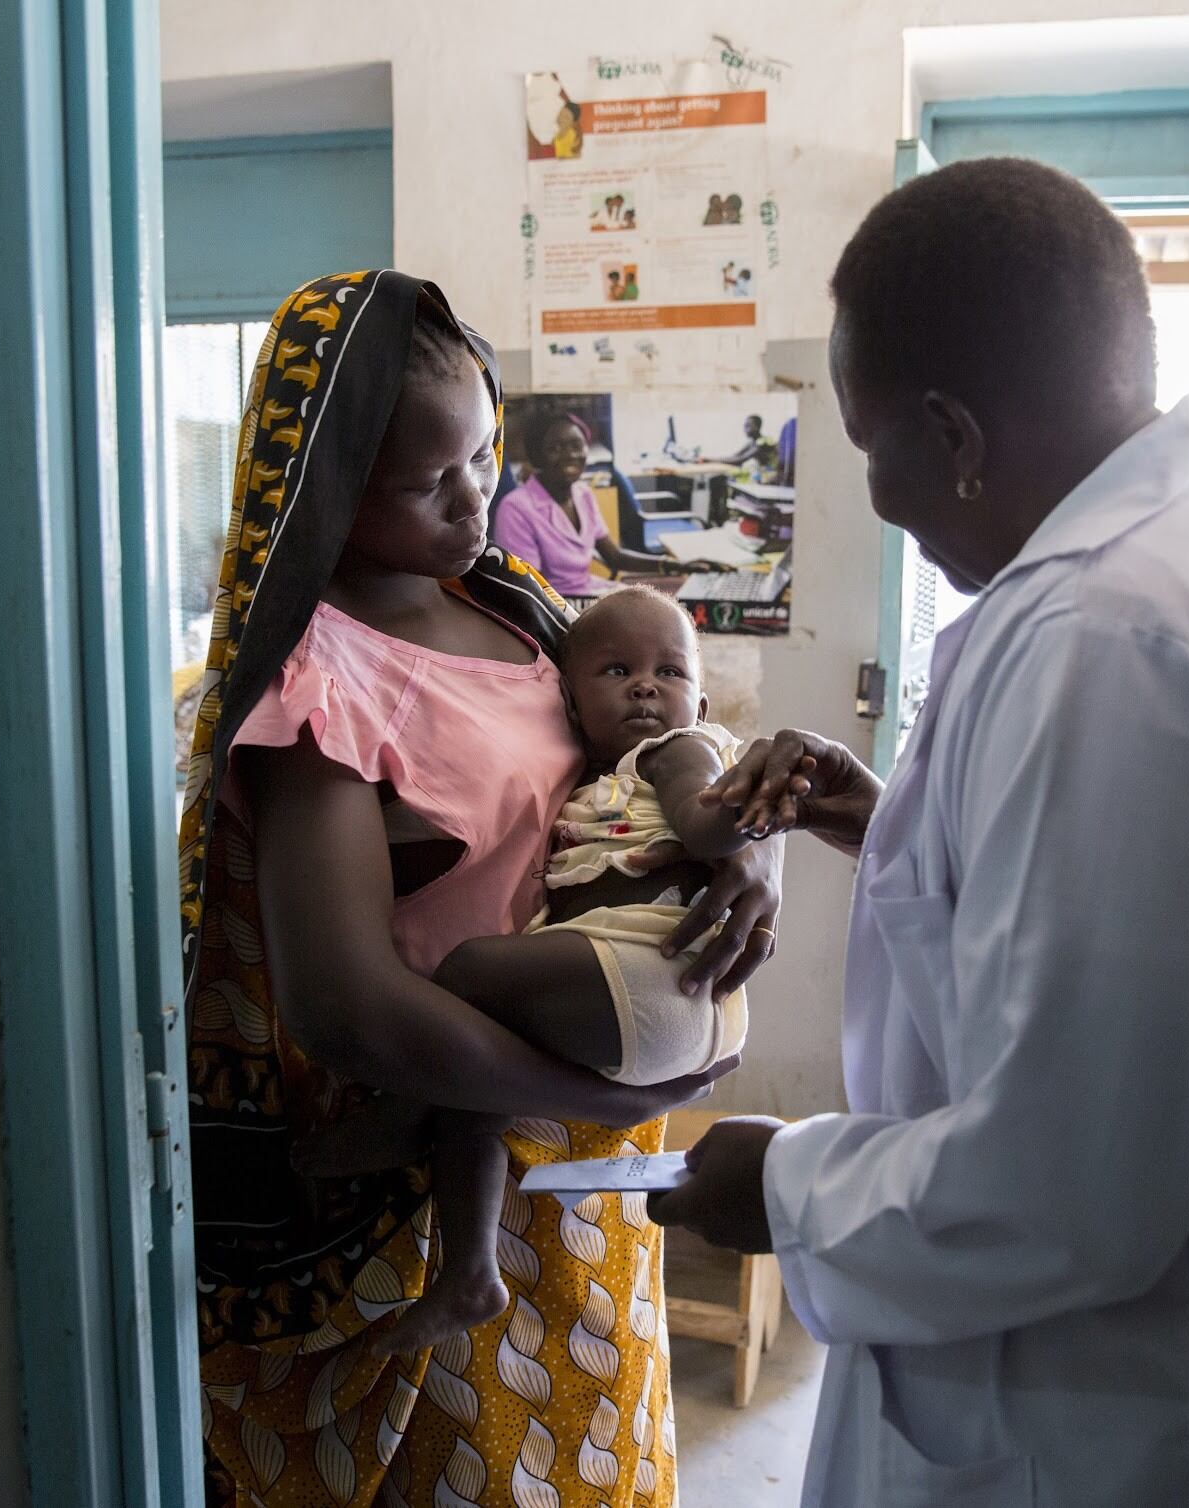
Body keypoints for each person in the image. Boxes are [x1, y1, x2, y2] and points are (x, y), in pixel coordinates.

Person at [646, 157, 1189, 1506]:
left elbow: (1078, 1173)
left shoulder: (1103, 635)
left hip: (1069, 1404)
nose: (878, 492)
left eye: (865, 443)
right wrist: (895, 824)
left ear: (950, 435)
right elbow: (1160, 930)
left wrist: (784, 1184)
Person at [180, 270, 784, 1507]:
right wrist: (570, 1098)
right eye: (427, 481)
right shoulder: (318, 680)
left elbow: (653, 747)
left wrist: (741, 848)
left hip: (580, 1194)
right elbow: (346, 1003)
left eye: (484, 457)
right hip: (445, 1212)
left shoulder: (517, 612)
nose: (477, 500)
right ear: (332, 486)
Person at [295, 585, 758, 1357]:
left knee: (469, 972)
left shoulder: (677, 752)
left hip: (653, 978)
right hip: (641, 994)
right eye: (617, 670)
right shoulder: (597, 778)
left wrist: (746, 820)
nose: (646, 686)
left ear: (700, 701)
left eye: (669, 674)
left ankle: (397, 1116)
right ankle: (472, 1272)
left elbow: (711, 821)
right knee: (477, 1094)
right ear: (570, 703)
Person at [492, 410, 716, 599]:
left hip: (591, 591)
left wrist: (677, 566)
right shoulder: (516, 508)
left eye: (576, 445)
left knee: (678, 602)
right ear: (536, 456)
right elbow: (531, 591)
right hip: (558, 608)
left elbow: (615, 557)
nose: (570, 455)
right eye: (555, 448)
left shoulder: (583, 495)